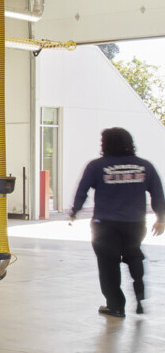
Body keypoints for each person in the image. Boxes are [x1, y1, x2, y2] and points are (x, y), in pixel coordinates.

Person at [68, 127, 165, 319]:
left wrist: (74, 211)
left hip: (104, 224)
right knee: (133, 253)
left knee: (108, 265)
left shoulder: (97, 166)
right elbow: (157, 192)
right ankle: (139, 294)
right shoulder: (144, 166)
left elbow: (83, 189)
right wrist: (160, 218)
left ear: (106, 144)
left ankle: (116, 306)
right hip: (135, 223)